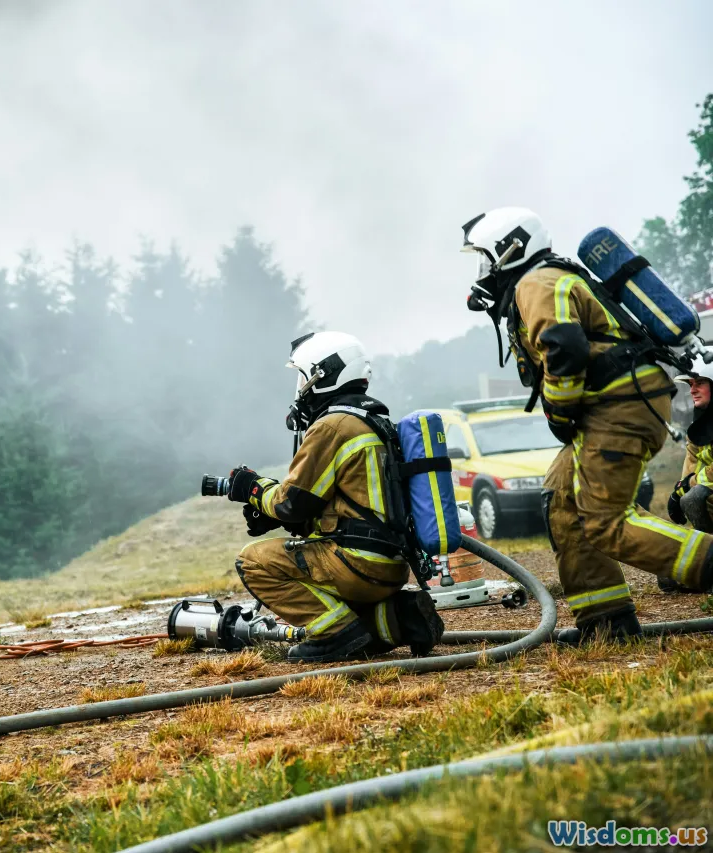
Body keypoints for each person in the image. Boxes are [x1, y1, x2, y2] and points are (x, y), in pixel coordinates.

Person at [461, 207, 713, 641]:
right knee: (562, 499)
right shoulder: (547, 279)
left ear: (510, 250)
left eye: (486, 257)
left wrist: (559, 412)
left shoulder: (536, 282)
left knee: (606, 521)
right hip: (611, 407)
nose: (483, 270)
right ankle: (606, 620)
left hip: (620, 407)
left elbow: (563, 346)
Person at [225, 331, 444, 663]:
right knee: (339, 600)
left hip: (356, 564)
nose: (301, 389)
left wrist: (253, 489)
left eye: (303, 377)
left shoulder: (333, 427)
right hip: (390, 566)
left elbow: (289, 503)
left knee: (252, 561)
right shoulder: (371, 421)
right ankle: (401, 619)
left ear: (322, 375)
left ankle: (335, 634)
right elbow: (333, 505)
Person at [665, 359, 713, 592]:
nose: (692, 389)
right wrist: (677, 491)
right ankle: (706, 563)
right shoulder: (699, 427)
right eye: (691, 384)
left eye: (700, 383)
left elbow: (696, 481)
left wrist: (690, 486)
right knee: (666, 578)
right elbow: (690, 470)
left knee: (693, 497)